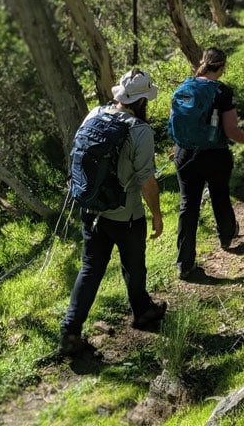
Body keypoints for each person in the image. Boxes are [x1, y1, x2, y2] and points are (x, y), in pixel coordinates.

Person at [59, 68, 167, 356]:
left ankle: (70, 331)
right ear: (143, 101)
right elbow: (147, 179)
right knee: (133, 264)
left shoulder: (94, 113)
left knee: (91, 268)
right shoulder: (140, 131)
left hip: (90, 208)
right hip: (125, 214)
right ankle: (142, 311)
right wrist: (157, 214)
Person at [172, 47, 244, 280]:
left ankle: (185, 263)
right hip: (215, 155)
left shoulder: (183, 87)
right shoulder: (222, 92)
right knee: (219, 195)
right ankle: (226, 236)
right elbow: (231, 131)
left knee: (188, 206)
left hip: (185, 154)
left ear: (203, 62)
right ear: (222, 67)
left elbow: (174, 123)